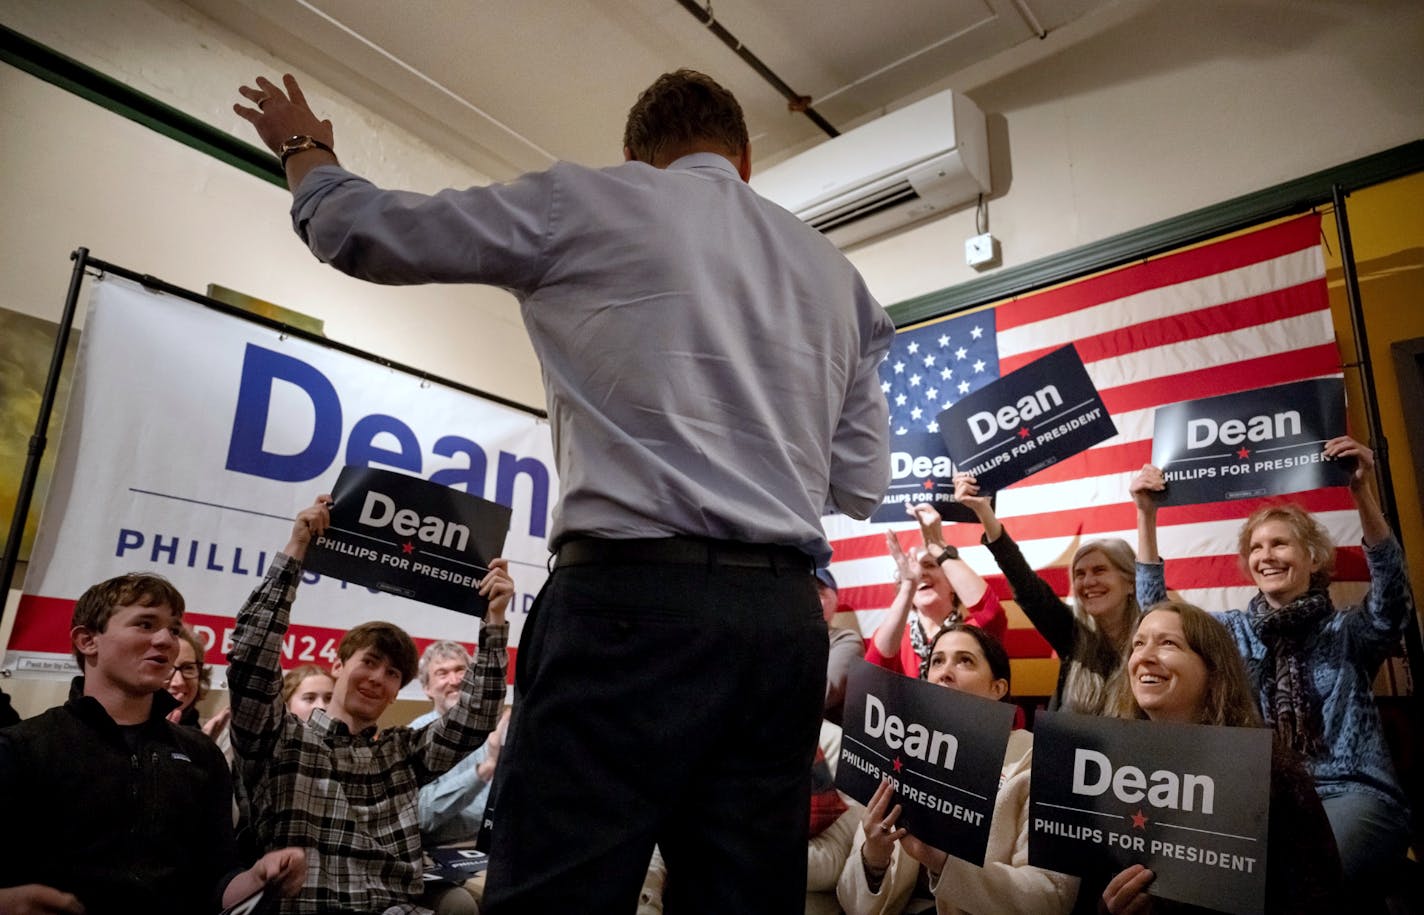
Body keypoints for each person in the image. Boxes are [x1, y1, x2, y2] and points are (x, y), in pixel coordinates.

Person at [233, 67, 892, 914]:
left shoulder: (585, 203)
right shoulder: (841, 280)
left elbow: (359, 231)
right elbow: (863, 485)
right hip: (779, 627)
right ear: (747, 159)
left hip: (627, 611)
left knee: (557, 894)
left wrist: (305, 148)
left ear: (634, 158)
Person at [1133, 436, 1414, 894]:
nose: (1266, 556)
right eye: (1257, 548)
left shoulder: (1346, 632)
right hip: (1261, 796)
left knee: (1305, 885)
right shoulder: (1232, 632)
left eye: (1280, 544)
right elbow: (1158, 615)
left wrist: (1361, 491)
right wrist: (1147, 514)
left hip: (1350, 793)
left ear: (1313, 557)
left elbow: (1392, 595)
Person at [227, 497, 511, 914]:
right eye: (370, 662)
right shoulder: (279, 738)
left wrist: (495, 619)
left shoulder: (402, 751)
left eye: (393, 673)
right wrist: (296, 553)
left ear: (398, 693)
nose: (378, 678)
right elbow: (251, 658)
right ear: (337, 665)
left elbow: (476, 718)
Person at [0, 572, 305, 914]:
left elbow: (218, 879)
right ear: (87, 640)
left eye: (173, 629)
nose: (165, 640)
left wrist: (258, 878)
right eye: (145, 624)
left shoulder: (200, 754)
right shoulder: (22, 747)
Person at [1099, 601, 1343, 914]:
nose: (1143, 657)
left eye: (1168, 643)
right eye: (1138, 644)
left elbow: (1319, 897)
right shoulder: (1108, 769)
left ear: (1213, 670)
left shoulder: (1271, 773)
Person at [838, 622, 1078, 915]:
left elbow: (1051, 898)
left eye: (965, 660)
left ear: (998, 688)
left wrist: (944, 863)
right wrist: (872, 861)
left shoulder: (1044, 758)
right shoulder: (898, 755)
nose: (944, 672)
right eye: (937, 661)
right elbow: (850, 903)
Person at [953, 472, 1140, 713]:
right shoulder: (1074, 636)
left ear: (1131, 582)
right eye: (1080, 574)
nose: (1088, 581)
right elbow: (1027, 588)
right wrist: (983, 512)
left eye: (1100, 570)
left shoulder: (1152, 640)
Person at [868, 503, 1007, 680]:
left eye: (929, 565)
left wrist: (938, 546)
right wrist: (908, 585)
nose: (920, 573)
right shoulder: (896, 637)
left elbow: (991, 613)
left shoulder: (973, 631)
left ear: (953, 583)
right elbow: (875, 666)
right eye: (913, 568)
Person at [411, 640, 503, 846]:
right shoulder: (416, 735)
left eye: (461, 670)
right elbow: (422, 816)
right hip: (445, 850)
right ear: (427, 688)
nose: (454, 680)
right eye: (442, 674)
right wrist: (483, 770)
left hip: (499, 844)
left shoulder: (493, 729)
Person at [819, 567, 867, 725]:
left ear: (834, 601)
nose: (810, 597)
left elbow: (824, 693)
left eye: (819, 592)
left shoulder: (846, 640)